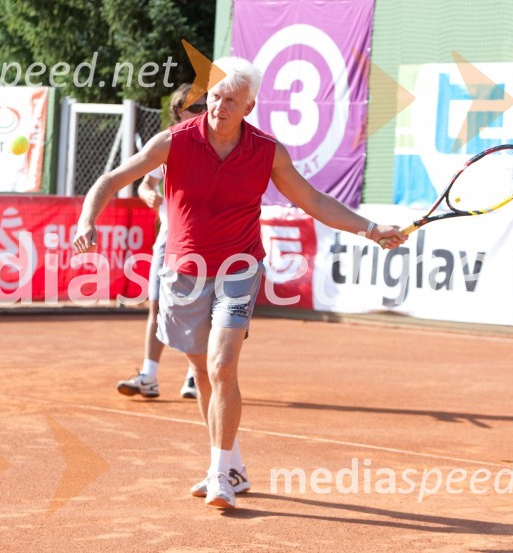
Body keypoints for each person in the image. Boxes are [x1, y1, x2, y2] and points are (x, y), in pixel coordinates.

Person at [74, 57, 407, 510]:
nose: (219, 107)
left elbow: (312, 199)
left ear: (249, 106)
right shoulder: (174, 141)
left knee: (222, 366)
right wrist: (87, 220)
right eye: (215, 97)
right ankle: (233, 465)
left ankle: (219, 475)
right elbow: (112, 179)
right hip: (184, 271)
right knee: (202, 372)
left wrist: (370, 229)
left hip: (239, 268)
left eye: (231, 100)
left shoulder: (267, 151)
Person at [115, 84, 204, 400]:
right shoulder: (166, 143)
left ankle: (195, 376)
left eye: (206, 106)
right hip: (169, 238)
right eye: (196, 107)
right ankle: (149, 376)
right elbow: (145, 183)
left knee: (199, 309)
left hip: (206, 240)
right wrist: (147, 194)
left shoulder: (216, 143)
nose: (204, 112)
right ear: (179, 111)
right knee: (157, 304)